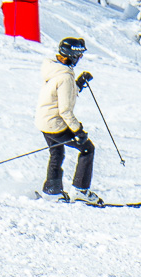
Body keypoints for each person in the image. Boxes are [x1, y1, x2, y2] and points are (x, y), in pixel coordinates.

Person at [36, 36, 101, 204]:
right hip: (55, 123)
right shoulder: (65, 76)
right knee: (87, 148)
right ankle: (80, 190)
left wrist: (78, 84)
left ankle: (52, 191)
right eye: (79, 55)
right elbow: (65, 110)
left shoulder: (55, 69)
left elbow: (62, 96)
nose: (80, 59)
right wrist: (78, 131)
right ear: (72, 55)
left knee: (56, 152)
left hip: (44, 121)